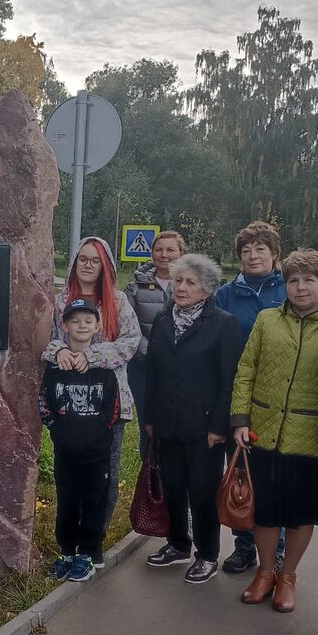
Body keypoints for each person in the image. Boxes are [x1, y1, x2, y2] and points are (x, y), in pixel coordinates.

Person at [230, 250, 318, 613]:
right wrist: (240, 420)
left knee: (299, 512)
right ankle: (265, 572)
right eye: (294, 280)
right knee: (264, 510)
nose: (300, 287)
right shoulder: (267, 320)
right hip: (262, 431)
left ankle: (289, 576)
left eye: (309, 280)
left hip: (310, 437)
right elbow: (246, 369)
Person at [143, 254, 241, 584]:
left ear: (207, 289)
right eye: (178, 281)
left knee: (201, 491)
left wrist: (218, 426)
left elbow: (229, 379)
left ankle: (207, 554)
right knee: (172, 486)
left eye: (190, 282)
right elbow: (153, 373)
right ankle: (177, 544)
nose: (181, 288)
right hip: (168, 421)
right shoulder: (162, 320)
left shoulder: (223, 323)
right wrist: (151, 416)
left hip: (204, 426)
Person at [43, 237, 140, 563]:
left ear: (105, 267)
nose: (88, 265)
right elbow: (49, 342)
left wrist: (93, 355)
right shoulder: (61, 302)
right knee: (71, 477)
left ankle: (93, 541)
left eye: (95, 260)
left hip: (108, 404)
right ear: (73, 264)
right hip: (70, 405)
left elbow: (131, 342)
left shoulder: (118, 301)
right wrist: (61, 353)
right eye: (82, 259)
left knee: (104, 474)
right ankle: (70, 544)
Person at [215, 220, 288, 575]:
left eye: (260, 249)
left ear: (275, 255)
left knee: (274, 476)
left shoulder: (289, 290)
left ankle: (277, 552)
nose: (253, 255)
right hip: (238, 397)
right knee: (240, 472)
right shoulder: (227, 295)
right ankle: (244, 546)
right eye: (246, 251)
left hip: (278, 399)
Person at [40, 299, 121, 583]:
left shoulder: (103, 368)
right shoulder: (56, 366)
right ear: (65, 326)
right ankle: (66, 551)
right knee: (67, 503)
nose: (82, 325)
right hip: (66, 451)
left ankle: (86, 553)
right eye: (75, 321)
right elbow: (45, 401)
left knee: (94, 502)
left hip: (96, 453)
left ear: (97, 326)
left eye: (88, 320)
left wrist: (100, 434)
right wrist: (56, 430)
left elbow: (113, 407)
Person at [124, 230, 185, 458]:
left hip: (182, 370)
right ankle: (150, 485)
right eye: (159, 249)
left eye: (171, 249)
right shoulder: (134, 288)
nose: (164, 255)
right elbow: (128, 328)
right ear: (151, 253)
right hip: (144, 368)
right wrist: (154, 355)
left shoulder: (191, 284)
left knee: (178, 424)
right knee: (148, 427)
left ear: (181, 253)